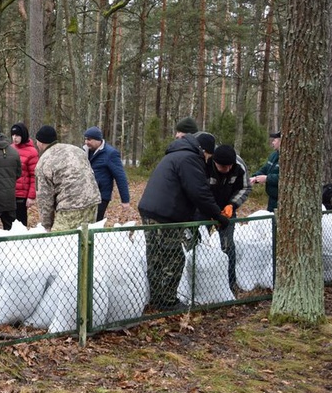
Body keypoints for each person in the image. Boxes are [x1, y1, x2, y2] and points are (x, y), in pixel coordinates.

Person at [137, 133, 229, 311]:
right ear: (205, 152)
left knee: (155, 256)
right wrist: (218, 215)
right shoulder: (190, 159)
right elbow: (199, 192)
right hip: (166, 215)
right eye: (209, 156)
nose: (209, 160)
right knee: (174, 258)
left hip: (150, 209)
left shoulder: (176, 154)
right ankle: (168, 301)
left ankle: (157, 297)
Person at [34, 125, 101, 231]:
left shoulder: (43, 162)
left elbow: (44, 198)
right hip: (92, 201)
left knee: (59, 242)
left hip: (70, 206)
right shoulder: (76, 150)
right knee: (84, 239)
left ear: (40, 142)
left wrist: (46, 225)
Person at [204, 144, 251, 291]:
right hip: (205, 210)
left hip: (227, 211)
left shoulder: (239, 165)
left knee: (228, 245)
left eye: (230, 166)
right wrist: (211, 211)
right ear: (215, 162)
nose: (228, 170)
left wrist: (232, 205)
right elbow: (199, 191)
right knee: (196, 243)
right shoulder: (204, 165)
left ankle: (230, 284)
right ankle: (198, 283)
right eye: (223, 167)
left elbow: (245, 187)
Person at [82, 126, 130, 221]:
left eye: (89, 139)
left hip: (101, 196)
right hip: (86, 194)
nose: (86, 142)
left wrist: (125, 200)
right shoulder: (84, 151)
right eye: (85, 139)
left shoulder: (111, 154)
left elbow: (120, 177)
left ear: (98, 140)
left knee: (95, 222)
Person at [10, 122, 38, 227]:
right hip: (10, 193)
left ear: (23, 135)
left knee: (20, 224)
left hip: (22, 195)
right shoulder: (10, 149)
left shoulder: (32, 152)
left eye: (17, 135)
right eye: (13, 135)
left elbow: (34, 176)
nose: (14, 138)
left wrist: (31, 196)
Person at [249, 131, 281, 212]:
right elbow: (265, 169)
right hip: (272, 199)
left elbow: (285, 178)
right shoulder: (273, 155)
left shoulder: (288, 158)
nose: (272, 142)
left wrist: (267, 178)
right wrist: (255, 177)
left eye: (274, 140)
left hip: (283, 199)